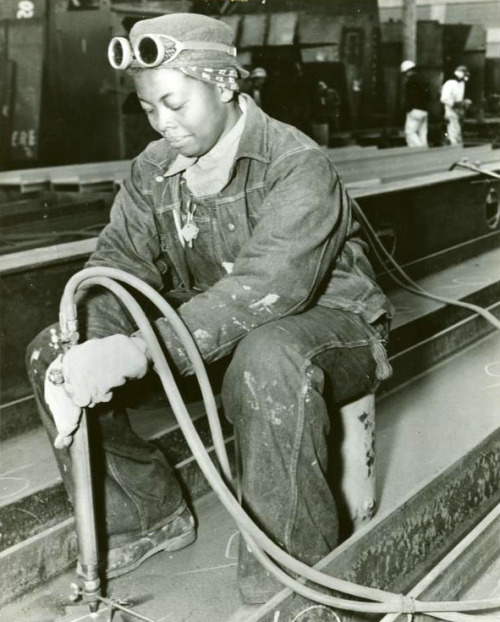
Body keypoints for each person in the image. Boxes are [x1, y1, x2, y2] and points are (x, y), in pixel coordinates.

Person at [26, 13, 393, 606]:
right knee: (56, 348)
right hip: (207, 330)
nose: (163, 124)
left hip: (329, 328)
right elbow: (118, 264)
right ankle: (146, 513)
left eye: (174, 103)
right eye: (149, 109)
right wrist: (91, 341)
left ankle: (294, 583)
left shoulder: (297, 164)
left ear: (224, 85)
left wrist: (142, 350)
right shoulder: (153, 169)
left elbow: (267, 290)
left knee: (266, 356)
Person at [400, 60, 430, 148]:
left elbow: (410, 97)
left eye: (405, 73)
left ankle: (420, 150)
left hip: (415, 111)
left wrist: (408, 109)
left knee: (409, 133)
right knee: (422, 134)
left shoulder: (410, 82)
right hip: (424, 111)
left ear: (408, 71)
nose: (405, 75)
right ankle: (425, 151)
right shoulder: (424, 81)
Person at [440, 65, 472, 145]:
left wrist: (464, 103)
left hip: (458, 112)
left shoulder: (461, 84)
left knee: (457, 132)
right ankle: (454, 148)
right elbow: (444, 98)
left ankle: (456, 147)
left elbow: (459, 98)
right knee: (453, 132)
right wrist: (457, 104)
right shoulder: (450, 83)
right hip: (450, 111)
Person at [310, 80, 341, 146]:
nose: (321, 88)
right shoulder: (318, 94)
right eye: (319, 87)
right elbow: (315, 104)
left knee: (335, 127)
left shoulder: (332, 92)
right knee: (326, 129)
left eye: (322, 86)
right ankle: (329, 143)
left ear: (325, 86)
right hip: (324, 113)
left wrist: (331, 104)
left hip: (333, 112)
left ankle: (336, 142)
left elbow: (338, 101)